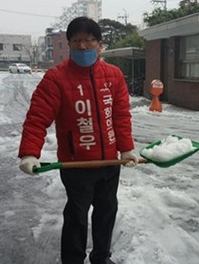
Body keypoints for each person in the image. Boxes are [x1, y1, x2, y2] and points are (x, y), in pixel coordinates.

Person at [18, 16, 139, 264]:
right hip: (77, 166)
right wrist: (30, 153)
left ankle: (101, 257)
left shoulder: (113, 76)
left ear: (99, 44)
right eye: (77, 41)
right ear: (69, 43)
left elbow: (120, 116)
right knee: (77, 216)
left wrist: (126, 149)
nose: (83, 46)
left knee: (106, 213)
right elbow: (37, 118)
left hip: (109, 164)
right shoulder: (56, 78)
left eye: (89, 40)